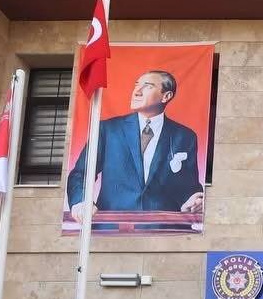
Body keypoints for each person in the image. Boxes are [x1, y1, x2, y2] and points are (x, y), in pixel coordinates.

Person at [66, 70, 205, 219]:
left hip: (163, 227)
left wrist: (194, 201)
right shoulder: (107, 129)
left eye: (147, 86)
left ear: (166, 96)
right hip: (112, 225)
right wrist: (81, 201)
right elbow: (81, 173)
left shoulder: (185, 136)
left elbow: (189, 186)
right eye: (136, 85)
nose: (136, 92)